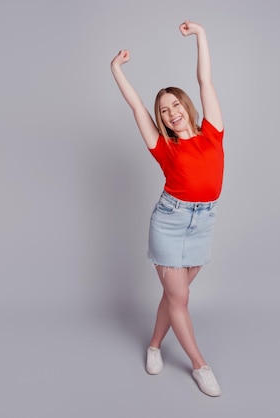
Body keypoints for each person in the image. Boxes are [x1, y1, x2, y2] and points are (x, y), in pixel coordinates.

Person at [110, 20, 225, 397]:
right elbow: (135, 106)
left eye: (176, 104)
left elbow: (205, 80)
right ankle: (200, 365)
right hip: (170, 220)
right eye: (164, 110)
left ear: (186, 105)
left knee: (173, 296)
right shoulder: (164, 146)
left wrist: (201, 35)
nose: (171, 112)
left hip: (203, 221)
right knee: (181, 298)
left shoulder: (212, 131)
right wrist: (116, 69)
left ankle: (154, 345)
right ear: (161, 120)